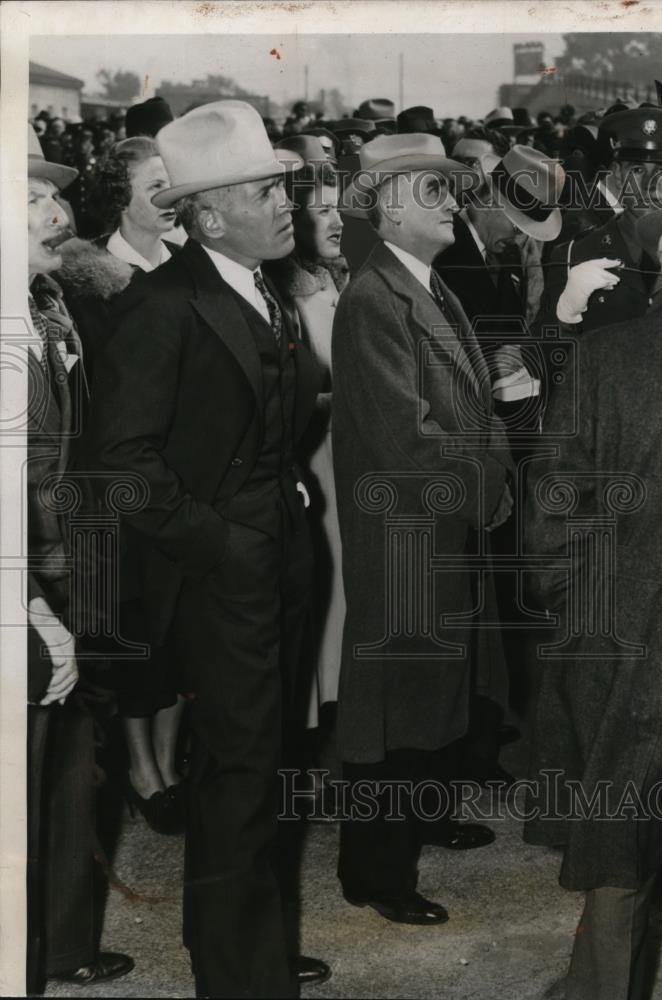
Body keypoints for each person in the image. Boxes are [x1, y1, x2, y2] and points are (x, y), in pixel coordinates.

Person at [89, 100, 329, 999]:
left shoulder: (261, 287)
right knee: (236, 779)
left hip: (281, 559)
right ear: (209, 213)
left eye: (284, 188)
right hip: (224, 575)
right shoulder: (162, 306)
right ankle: (238, 975)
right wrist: (225, 542)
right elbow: (122, 465)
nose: (288, 205)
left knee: (267, 769)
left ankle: (249, 942)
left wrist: (290, 492)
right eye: (267, 190)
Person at [524, 160, 662, 1000]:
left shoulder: (611, 356)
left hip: (629, 637)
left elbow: (552, 510)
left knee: (617, 830)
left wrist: (576, 616)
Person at [334, 133, 513, 926]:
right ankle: (375, 872)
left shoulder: (426, 286)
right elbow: (406, 437)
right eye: (436, 193)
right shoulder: (374, 298)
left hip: (441, 527)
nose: (455, 204)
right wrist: (488, 488)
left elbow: (463, 412)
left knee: (436, 695)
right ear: (393, 210)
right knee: (398, 710)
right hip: (407, 537)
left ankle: (424, 822)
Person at [25, 123, 134, 993]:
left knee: (69, 765)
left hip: (67, 560)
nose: (55, 212)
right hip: (33, 573)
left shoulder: (47, 303)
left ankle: (58, 943)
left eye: (52, 194)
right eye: (27, 198)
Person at [57, 137, 185, 833]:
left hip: (187, 481)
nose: (169, 198)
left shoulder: (193, 267)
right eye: (154, 185)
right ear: (120, 198)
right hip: (121, 488)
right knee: (137, 631)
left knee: (183, 630)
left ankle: (171, 760)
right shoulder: (89, 284)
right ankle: (143, 770)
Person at [435, 142, 566, 792]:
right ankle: (471, 743)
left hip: (502, 439)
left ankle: (484, 733)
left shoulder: (483, 251)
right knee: (479, 599)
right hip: (474, 450)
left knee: (494, 599)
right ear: (488, 203)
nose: (520, 239)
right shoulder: (455, 255)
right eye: (516, 225)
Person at [265, 136, 348, 736]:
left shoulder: (328, 280)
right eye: (321, 211)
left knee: (339, 586)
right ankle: (312, 717)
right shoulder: (290, 294)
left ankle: (331, 707)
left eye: (338, 207)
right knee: (321, 583)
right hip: (313, 457)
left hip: (340, 454)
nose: (337, 220)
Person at [530, 101, 662, 346]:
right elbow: (543, 360)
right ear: (617, 174)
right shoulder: (574, 256)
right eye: (636, 170)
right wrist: (564, 316)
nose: (648, 185)